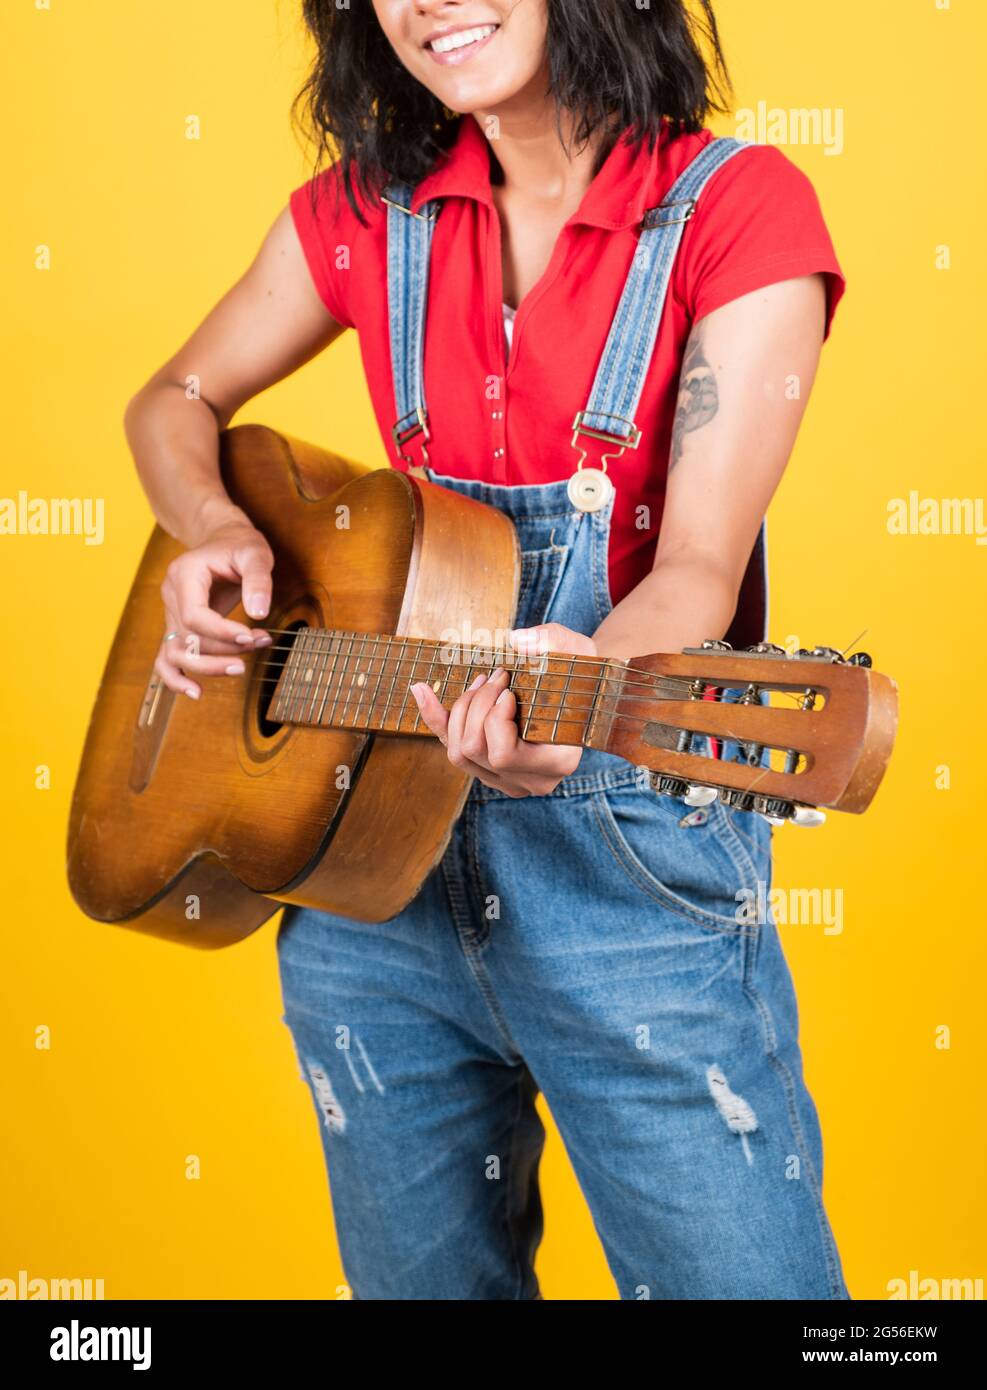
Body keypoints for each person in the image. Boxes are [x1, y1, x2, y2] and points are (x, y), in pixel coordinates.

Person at [124, 0, 849, 1300]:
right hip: (368, 893)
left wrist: (575, 693)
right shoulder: (366, 212)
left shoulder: (739, 211)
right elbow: (173, 399)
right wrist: (212, 528)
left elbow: (694, 566)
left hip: (630, 888)